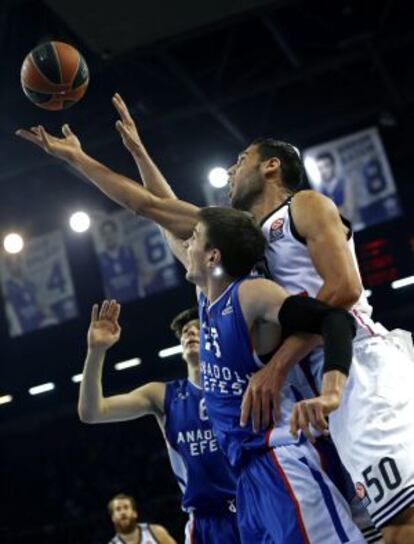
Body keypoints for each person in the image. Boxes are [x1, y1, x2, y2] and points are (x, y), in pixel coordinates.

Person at [78, 299, 240, 543]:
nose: (191, 332)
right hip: (206, 524)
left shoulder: (238, 383)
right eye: (185, 331)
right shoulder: (163, 395)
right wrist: (96, 351)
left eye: (198, 327)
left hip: (252, 506)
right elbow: (92, 412)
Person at [97, 218, 141, 303]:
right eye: (105, 234)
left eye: (110, 232)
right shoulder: (100, 261)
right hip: (117, 308)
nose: (108, 236)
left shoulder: (129, 252)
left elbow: (141, 276)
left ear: (116, 233)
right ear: (102, 237)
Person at [107, 493, 175, 544]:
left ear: (135, 513)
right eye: (118, 509)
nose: (123, 512)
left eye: (126, 507)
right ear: (113, 517)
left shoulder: (156, 532)